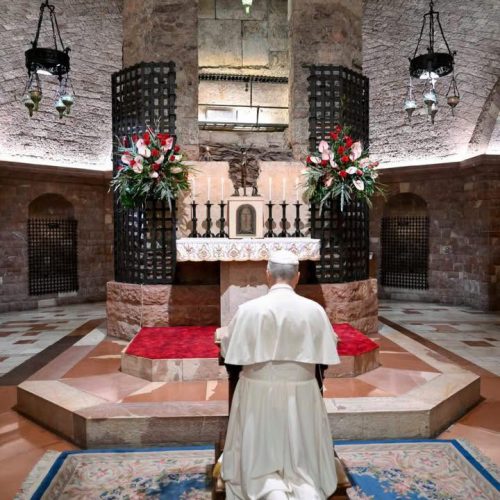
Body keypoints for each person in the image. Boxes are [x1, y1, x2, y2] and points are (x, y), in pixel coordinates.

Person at [220, 250, 340, 500]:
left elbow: (228, 349)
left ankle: (267, 486)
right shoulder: (314, 310)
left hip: (258, 392)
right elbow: (330, 343)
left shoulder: (248, 310)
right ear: (298, 277)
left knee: (261, 450)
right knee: (303, 464)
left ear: (267, 275)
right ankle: (306, 487)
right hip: (302, 391)